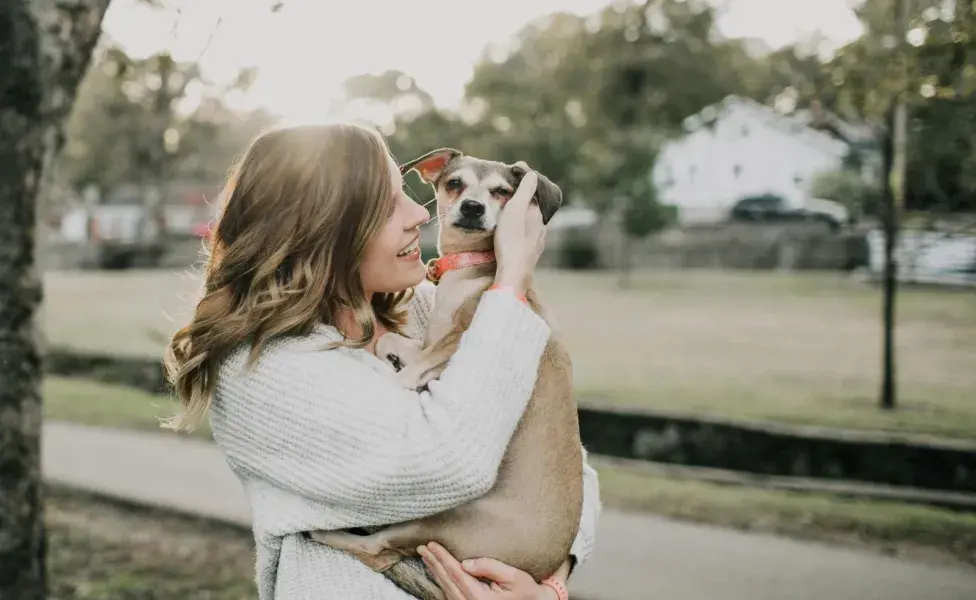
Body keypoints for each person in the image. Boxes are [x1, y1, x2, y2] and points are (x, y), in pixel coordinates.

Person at [163, 122, 601, 600]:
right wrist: (512, 278)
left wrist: (550, 586)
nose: (420, 212)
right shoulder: (262, 371)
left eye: (409, 193)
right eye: (389, 205)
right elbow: (449, 463)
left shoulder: (426, 309)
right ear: (323, 229)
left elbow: (566, 463)